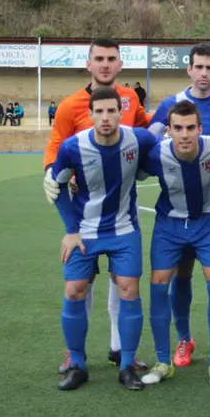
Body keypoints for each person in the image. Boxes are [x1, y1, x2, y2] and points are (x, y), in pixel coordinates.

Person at [42, 37, 150, 375]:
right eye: (99, 59)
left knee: (124, 284)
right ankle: (74, 355)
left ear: (120, 64)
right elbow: (57, 147)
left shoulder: (131, 99)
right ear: (88, 64)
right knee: (79, 286)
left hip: (121, 213)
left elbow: (148, 133)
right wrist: (53, 174)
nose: (105, 64)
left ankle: (121, 350)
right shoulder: (68, 106)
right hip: (84, 209)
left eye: (111, 59)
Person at [148, 42, 210, 368]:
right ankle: (184, 339)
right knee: (182, 271)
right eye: (198, 67)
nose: (204, 73)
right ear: (189, 69)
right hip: (178, 209)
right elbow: (148, 140)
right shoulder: (169, 105)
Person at [139, 100, 210, 387]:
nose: (185, 134)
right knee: (159, 284)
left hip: (208, 222)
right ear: (168, 130)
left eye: (190, 128)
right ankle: (164, 358)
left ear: (200, 128)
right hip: (169, 225)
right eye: (178, 128)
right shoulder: (156, 154)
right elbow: (124, 170)